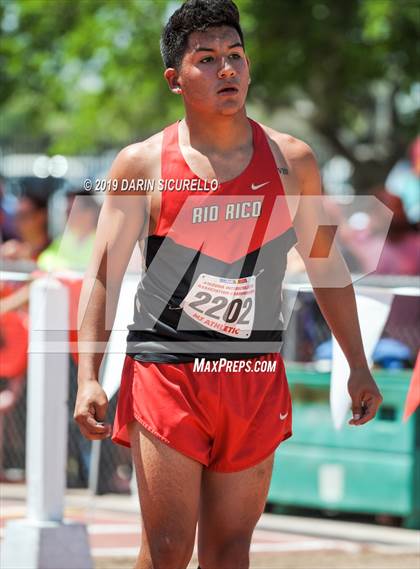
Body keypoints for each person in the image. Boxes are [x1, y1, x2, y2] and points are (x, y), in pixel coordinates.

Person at [74, 2, 383, 568]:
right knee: (168, 550)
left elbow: (327, 268)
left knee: (229, 550)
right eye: (207, 58)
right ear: (175, 79)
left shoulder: (293, 161)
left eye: (235, 55)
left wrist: (358, 363)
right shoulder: (141, 164)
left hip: (253, 372)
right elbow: (102, 276)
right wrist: (88, 376)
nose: (227, 70)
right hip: (169, 372)